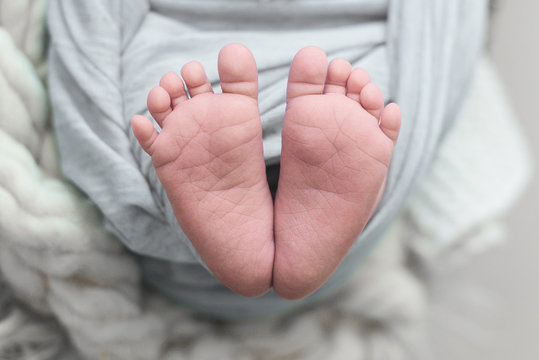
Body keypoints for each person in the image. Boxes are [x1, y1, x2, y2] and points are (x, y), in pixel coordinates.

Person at [131, 43, 401, 300]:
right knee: (388, 102)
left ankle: (185, 202)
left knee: (151, 96)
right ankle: (366, 203)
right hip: (339, 273)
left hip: (182, 275)